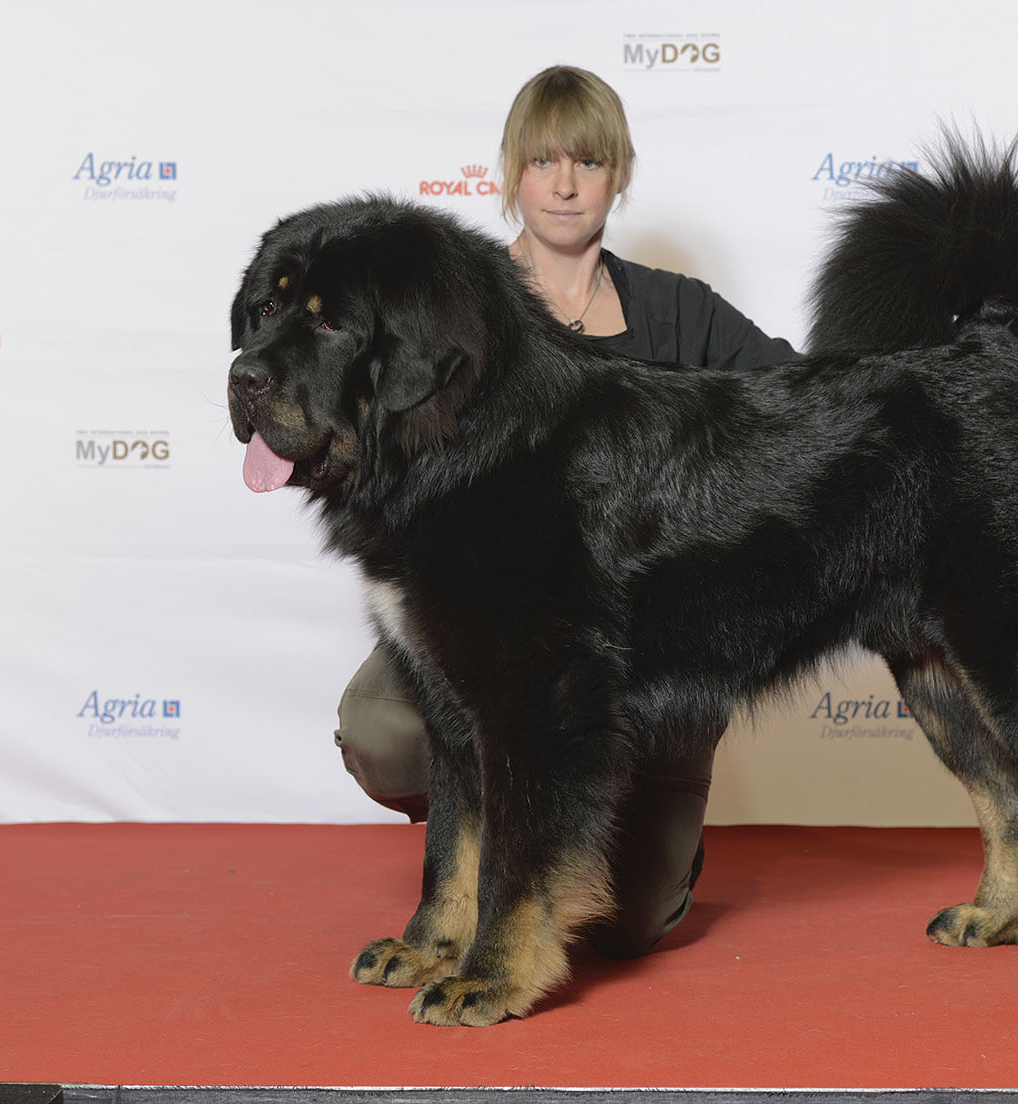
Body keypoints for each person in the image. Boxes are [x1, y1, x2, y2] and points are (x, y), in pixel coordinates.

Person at [334, 64, 795, 958]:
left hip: (645, 642)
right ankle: (494, 840)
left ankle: (591, 827)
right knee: (389, 732)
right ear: (511, 172)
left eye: (587, 160)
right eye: (543, 160)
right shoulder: (453, 313)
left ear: (618, 173)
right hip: (484, 624)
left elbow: (794, 413)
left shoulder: (679, 312)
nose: (565, 182)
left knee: (633, 923)